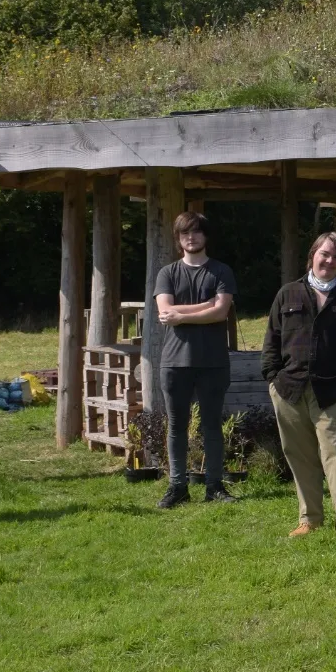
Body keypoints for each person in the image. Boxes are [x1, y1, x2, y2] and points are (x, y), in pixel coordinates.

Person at [263, 232, 336, 537]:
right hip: (289, 390)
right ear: (312, 255)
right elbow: (271, 339)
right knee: (299, 457)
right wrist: (272, 378)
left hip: (333, 391)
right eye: (324, 254)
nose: (329, 260)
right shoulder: (287, 294)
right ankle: (309, 518)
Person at [152, 211, 240, 508]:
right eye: (185, 233)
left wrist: (183, 313)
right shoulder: (167, 273)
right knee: (176, 425)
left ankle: (214, 486)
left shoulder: (221, 271)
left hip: (213, 361)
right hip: (175, 362)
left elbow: (220, 312)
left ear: (206, 236)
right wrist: (205, 307)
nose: (191, 237)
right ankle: (177, 487)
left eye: (197, 232)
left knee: (212, 425)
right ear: (178, 239)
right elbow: (165, 314)